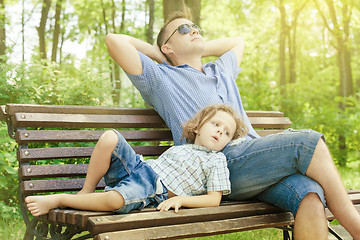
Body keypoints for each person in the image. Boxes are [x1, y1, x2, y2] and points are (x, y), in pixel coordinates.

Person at [104, 11, 360, 239]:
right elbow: (114, 41)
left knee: (310, 194)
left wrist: (196, 46)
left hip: (254, 161)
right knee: (306, 142)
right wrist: (159, 53)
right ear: (168, 46)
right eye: (184, 29)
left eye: (196, 28)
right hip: (215, 164)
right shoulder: (162, 78)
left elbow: (237, 42)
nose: (194, 30)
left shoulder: (221, 69)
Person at [25, 104, 248, 215]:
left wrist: (182, 200)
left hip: (153, 186)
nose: (220, 132)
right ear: (198, 127)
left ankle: (60, 199)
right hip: (139, 166)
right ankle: (86, 191)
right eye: (215, 124)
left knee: (116, 201)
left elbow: (213, 200)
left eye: (227, 132)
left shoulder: (216, 160)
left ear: (228, 142)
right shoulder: (184, 147)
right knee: (110, 137)